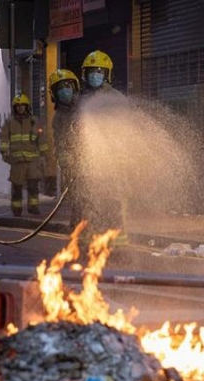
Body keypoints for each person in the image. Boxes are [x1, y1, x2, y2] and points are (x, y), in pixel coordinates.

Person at [79, 50, 129, 246]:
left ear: (107, 74)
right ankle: (92, 244)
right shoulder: (81, 100)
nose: (94, 75)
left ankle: (118, 244)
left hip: (114, 165)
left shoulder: (117, 100)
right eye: (91, 71)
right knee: (90, 205)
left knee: (113, 204)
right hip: (89, 166)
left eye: (99, 71)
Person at [0, 93, 49, 217]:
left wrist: (44, 155)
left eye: (23, 105)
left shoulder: (34, 121)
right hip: (17, 161)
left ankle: (33, 208)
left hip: (32, 160)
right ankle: (17, 210)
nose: (20, 108)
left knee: (33, 185)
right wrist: (4, 152)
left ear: (27, 107)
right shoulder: (9, 122)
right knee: (17, 187)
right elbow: (4, 137)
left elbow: (41, 138)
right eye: (18, 106)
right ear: (14, 107)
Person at [49, 69, 82, 227]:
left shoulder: (86, 106)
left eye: (67, 86)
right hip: (73, 167)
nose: (64, 91)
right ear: (54, 94)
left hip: (93, 164)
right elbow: (59, 143)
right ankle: (80, 236)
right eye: (59, 89)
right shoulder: (59, 119)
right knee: (78, 202)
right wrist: (64, 159)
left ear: (74, 87)